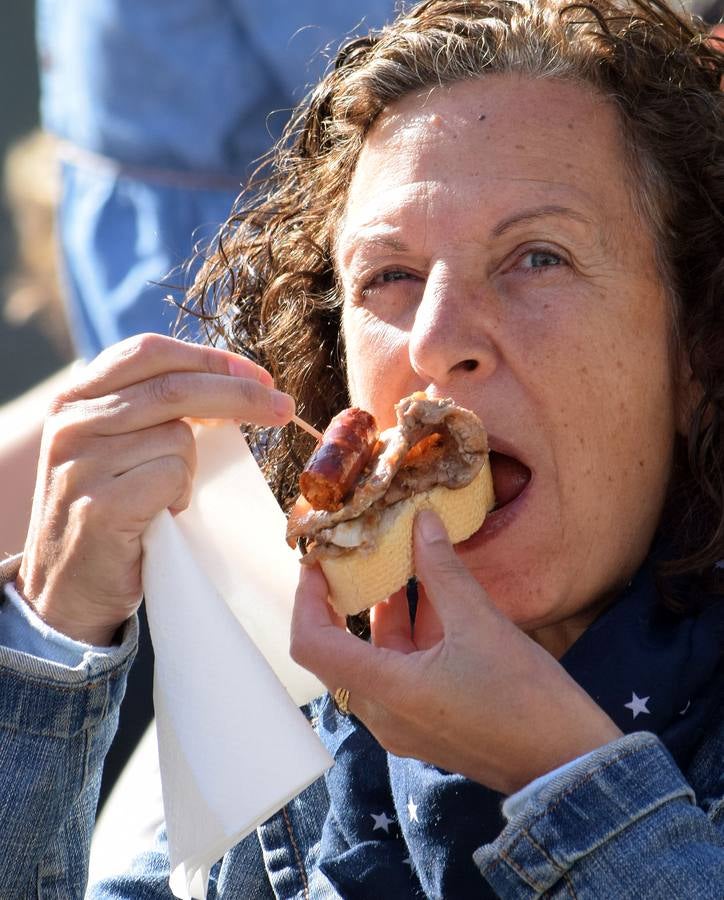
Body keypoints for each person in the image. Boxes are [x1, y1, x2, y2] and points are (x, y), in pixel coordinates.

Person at [0, 0, 722, 895]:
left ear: (697, 353)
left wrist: (561, 777)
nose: (432, 341)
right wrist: (54, 637)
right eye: (389, 276)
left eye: (539, 256)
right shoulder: (272, 771)